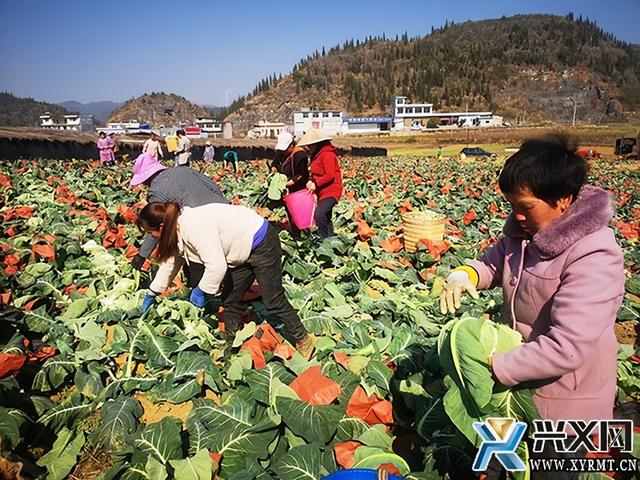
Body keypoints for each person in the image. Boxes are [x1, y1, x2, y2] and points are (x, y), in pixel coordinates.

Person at [439, 136, 625, 476]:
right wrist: (466, 274)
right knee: (512, 468)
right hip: (520, 382)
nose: (518, 216)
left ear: (563, 199)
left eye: (526, 207)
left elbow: (567, 346)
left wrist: (494, 367)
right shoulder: (523, 234)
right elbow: (495, 264)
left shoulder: (594, 255)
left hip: (565, 404)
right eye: (512, 206)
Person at [136, 201, 317, 359]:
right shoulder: (175, 228)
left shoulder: (192, 226)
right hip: (239, 250)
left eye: (150, 233)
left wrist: (201, 291)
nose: (151, 238)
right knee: (231, 298)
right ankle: (232, 343)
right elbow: (171, 262)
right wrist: (152, 292)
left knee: (273, 300)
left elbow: (216, 266)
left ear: (161, 227)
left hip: (261, 243)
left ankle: (304, 339)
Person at [129, 153, 228, 291]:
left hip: (199, 228)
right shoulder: (184, 170)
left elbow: (156, 226)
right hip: (225, 215)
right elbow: (214, 187)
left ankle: (204, 296)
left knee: (197, 262)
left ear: (146, 178)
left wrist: (142, 255)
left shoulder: (156, 192)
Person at [297, 128, 342, 240]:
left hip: (332, 190)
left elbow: (330, 175)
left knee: (319, 214)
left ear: (318, 144)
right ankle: (330, 240)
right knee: (326, 216)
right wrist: (311, 180)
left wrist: (315, 183)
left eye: (311, 145)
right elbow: (316, 173)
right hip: (322, 191)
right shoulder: (315, 155)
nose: (308, 147)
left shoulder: (327, 155)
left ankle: (323, 239)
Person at [272, 131, 310, 237]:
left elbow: (302, 175)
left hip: (298, 189)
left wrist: (286, 183)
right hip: (285, 189)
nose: (282, 152)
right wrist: (274, 172)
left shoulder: (300, 155)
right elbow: (275, 163)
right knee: (290, 212)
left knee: (299, 214)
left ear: (292, 145)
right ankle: (295, 233)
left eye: (285, 149)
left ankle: (304, 235)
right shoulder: (281, 152)